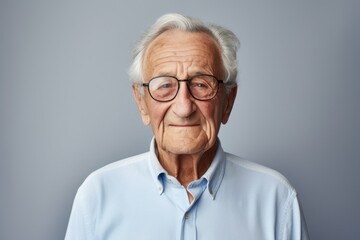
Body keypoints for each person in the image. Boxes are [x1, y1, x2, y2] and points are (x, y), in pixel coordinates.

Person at [65, 13, 309, 240]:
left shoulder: (277, 200)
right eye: (164, 85)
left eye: (202, 84)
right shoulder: (97, 196)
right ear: (141, 102)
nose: (184, 107)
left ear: (228, 102)